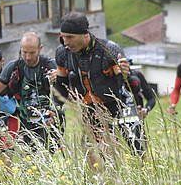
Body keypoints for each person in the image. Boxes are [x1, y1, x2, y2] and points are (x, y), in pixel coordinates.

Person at [50, 12, 143, 161]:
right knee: (92, 153)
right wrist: (55, 109)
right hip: (91, 107)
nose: (65, 42)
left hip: (118, 103)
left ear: (84, 34)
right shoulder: (62, 53)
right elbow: (61, 87)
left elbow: (130, 84)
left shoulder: (109, 49)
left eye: (70, 37)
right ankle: (102, 182)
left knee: (137, 149)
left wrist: (126, 74)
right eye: (63, 36)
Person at [0, 32, 60, 154]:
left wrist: (58, 76)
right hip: (26, 123)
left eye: (32, 53)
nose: (28, 57)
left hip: (50, 122)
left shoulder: (50, 66)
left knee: (47, 160)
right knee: (29, 160)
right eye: (24, 52)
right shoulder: (13, 68)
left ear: (40, 49)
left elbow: (66, 93)